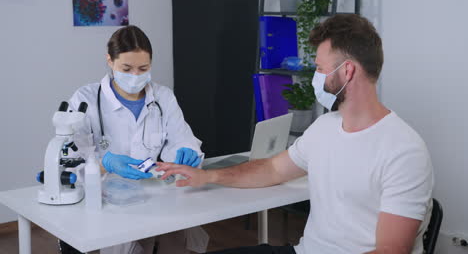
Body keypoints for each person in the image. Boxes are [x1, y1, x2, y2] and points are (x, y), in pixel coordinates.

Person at [156, 14, 434, 254]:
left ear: (347, 71)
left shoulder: (403, 150)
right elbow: (273, 169)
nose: (316, 77)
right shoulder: (325, 128)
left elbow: (391, 250)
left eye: (320, 68)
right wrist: (209, 175)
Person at [65, 25, 206, 254]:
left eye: (143, 68)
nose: (135, 76)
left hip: (154, 193)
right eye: (126, 68)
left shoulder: (163, 97)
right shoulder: (85, 99)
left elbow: (183, 138)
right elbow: (70, 156)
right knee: (125, 246)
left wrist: (186, 152)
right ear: (110, 61)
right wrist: (104, 163)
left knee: (179, 235)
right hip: (107, 199)